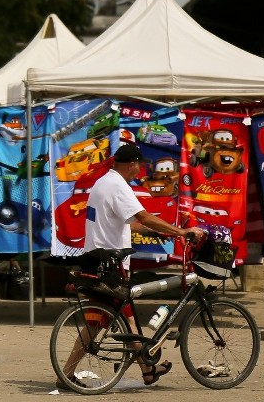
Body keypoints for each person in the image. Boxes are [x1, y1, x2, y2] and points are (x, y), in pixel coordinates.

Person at [58, 143, 204, 389]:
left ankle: (147, 370)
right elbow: (143, 216)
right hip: (111, 263)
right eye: (139, 165)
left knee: (112, 322)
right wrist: (181, 231)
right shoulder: (118, 186)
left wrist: (158, 232)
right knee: (109, 322)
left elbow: (128, 222)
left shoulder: (103, 183)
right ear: (132, 164)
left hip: (98, 259)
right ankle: (67, 374)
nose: (141, 170)